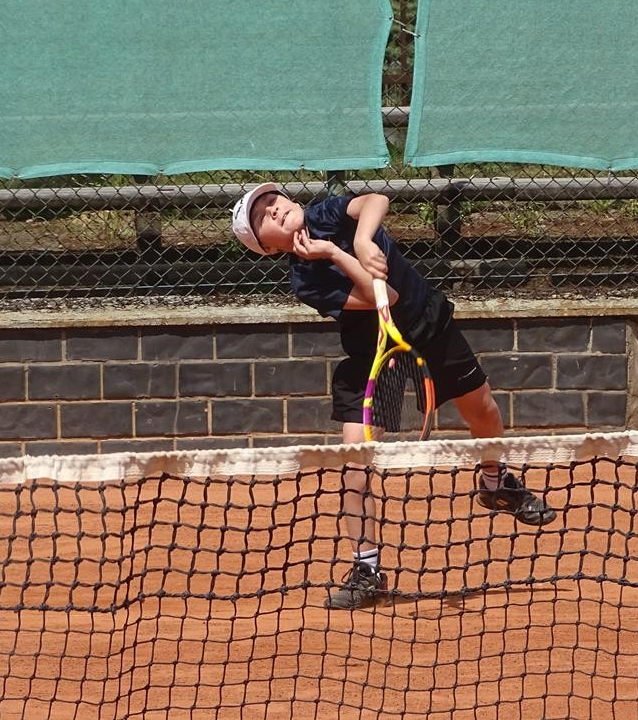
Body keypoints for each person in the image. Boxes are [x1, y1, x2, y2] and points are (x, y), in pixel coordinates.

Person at [231, 182, 557, 610]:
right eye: (261, 218)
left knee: (482, 410)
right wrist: (335, 255)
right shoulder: (306, 281)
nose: (273, 211)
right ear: (268, 248)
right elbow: (382, 295)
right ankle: (366, 570)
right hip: (374, 355)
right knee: (356, 461)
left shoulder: (327, 213)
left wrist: (362, 239)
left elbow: (376, 200)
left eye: (273, 202)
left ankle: (496, 483)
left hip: (427, 325)